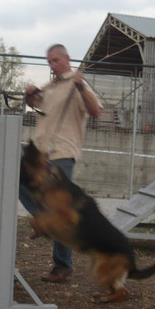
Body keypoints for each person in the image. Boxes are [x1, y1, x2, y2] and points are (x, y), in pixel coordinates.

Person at [19, 44, 103, 283]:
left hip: (62, 153)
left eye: (55, 61)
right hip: (40, 153)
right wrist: (30, 93)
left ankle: (62, 265)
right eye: (49, 62)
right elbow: (38, 104)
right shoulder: (51, 87)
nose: (52, 66)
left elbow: (95, 111)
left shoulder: (78, 84)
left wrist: (81, 87)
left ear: (67, 58)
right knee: (18, 180)